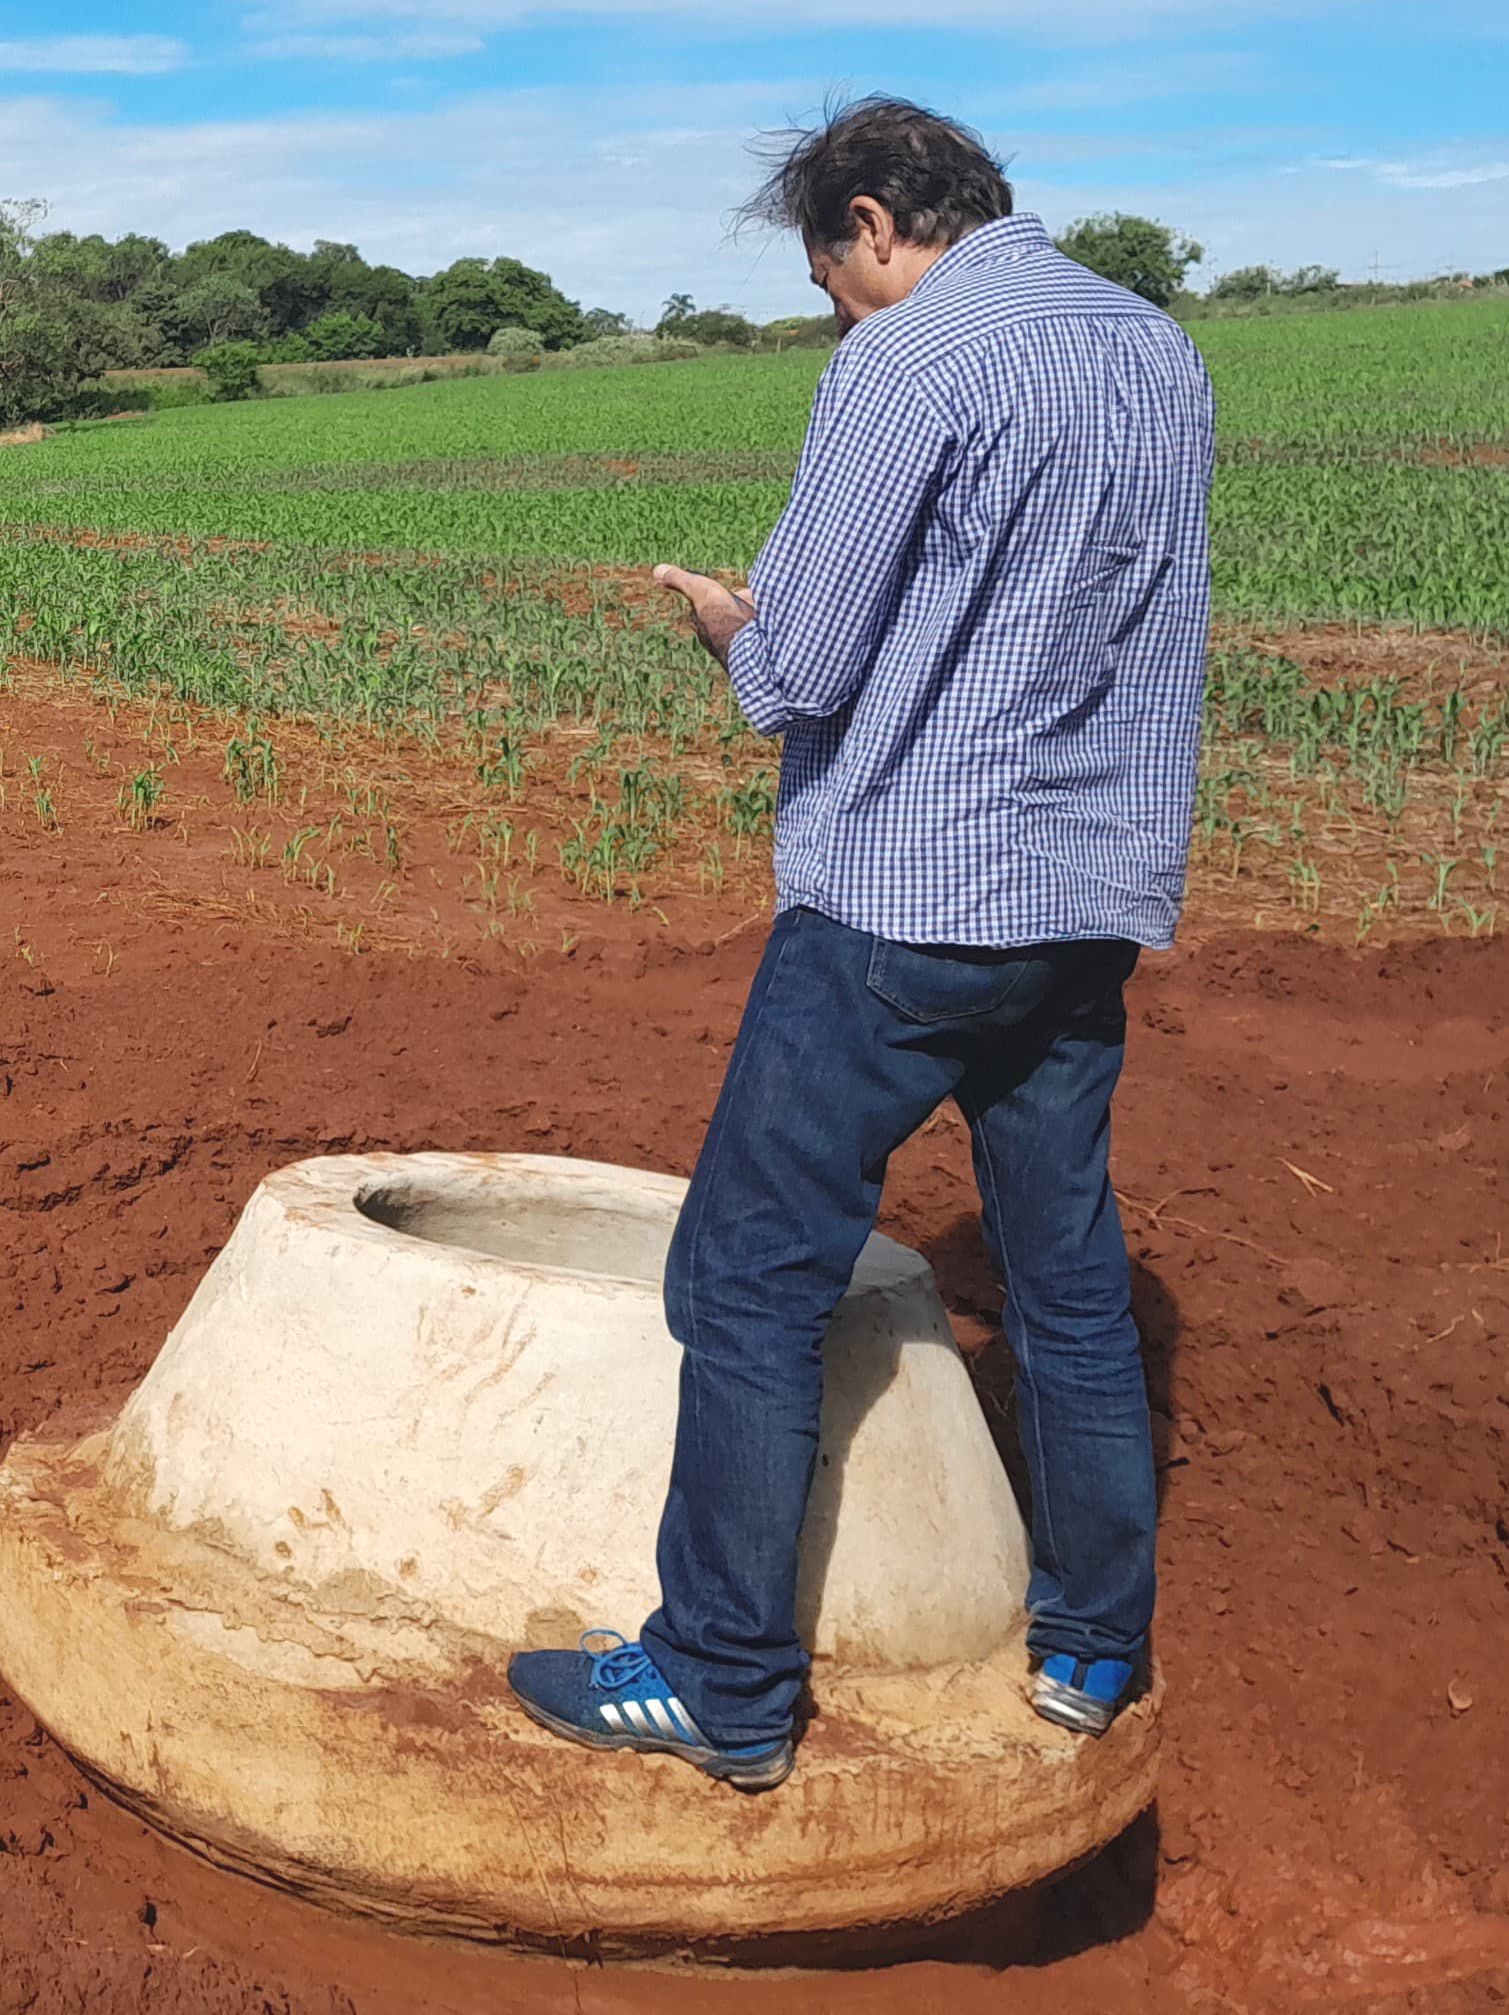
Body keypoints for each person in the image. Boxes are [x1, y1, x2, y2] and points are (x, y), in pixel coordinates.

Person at [505, 98, 1212, 1790]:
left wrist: (727, 628)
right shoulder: (1154, 347)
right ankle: (1091, 1646)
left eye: (830, 271)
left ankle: (722, 1681)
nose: (833, 305)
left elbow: (802, 671)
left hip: (909, 898)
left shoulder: (906, 362)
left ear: (875, 221)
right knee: (1067, 1284)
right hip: (1085, 903)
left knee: (747, 1277)